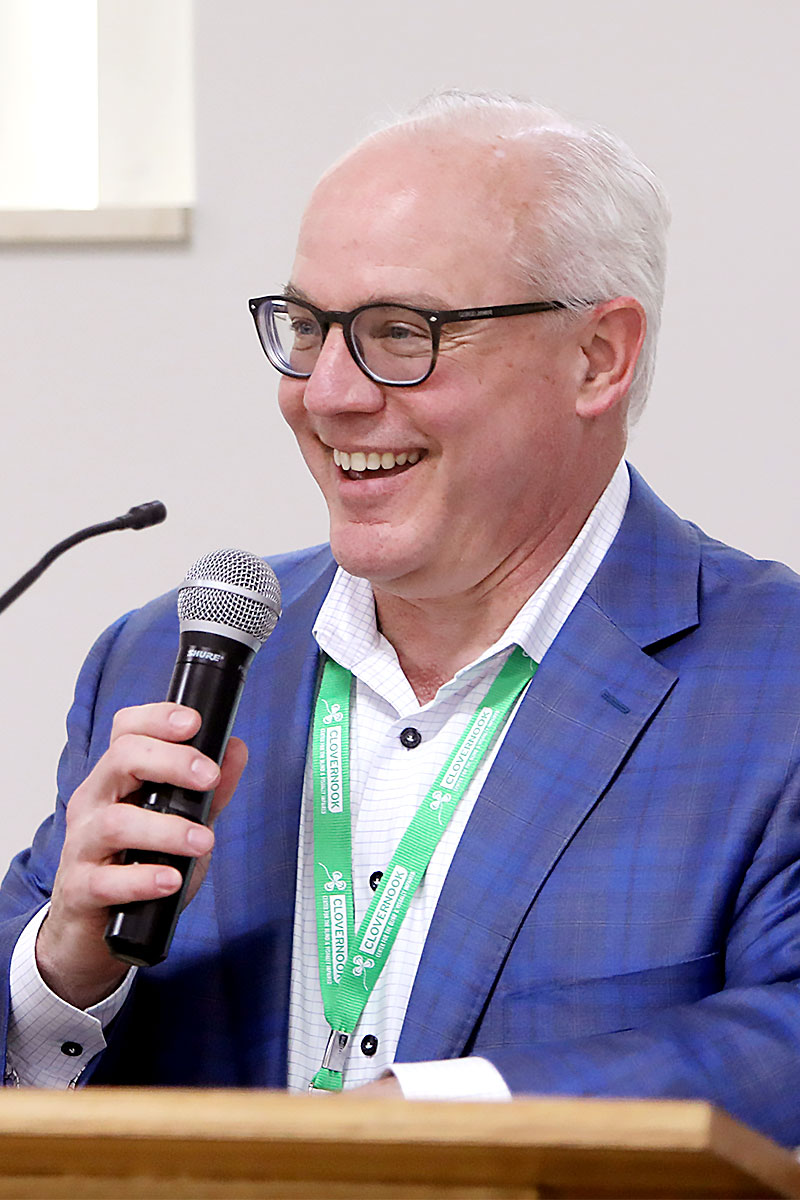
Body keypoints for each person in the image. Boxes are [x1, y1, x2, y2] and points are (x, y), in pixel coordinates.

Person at [2, 90, 800, 1145]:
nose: (326, 393)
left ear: (595, 357)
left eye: (400, 332)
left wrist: (439, 1119)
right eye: (305, 327)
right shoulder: (166, 653)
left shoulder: (772, 678)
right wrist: (62, 974)